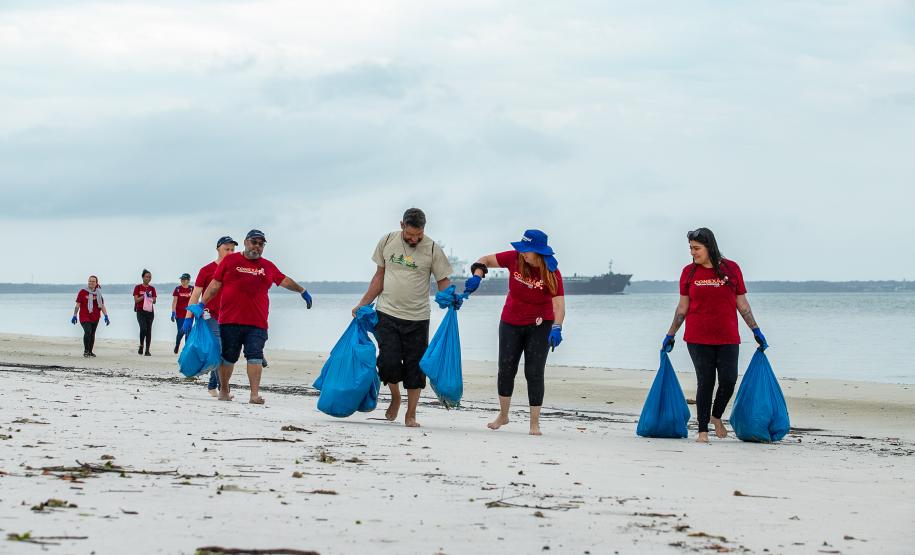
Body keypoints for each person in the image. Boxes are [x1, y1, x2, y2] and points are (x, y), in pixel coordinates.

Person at [662, 227, 768, 443]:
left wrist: (756, 330)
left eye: (696, 248)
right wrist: (670, 334)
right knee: (706, 382)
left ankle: (716, 416)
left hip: (728, 336)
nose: (692, 252)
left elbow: (743, 304)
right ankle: (702, 431)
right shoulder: (689, 273)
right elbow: (682, 308)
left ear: (709, 246)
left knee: (728, 380)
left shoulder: (731, 268)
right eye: (690, 248)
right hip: (697, 338)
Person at [352, 208, 454, 427]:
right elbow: (379, 276)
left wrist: (449, 298)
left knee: (415, 367)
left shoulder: (433, 248)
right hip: (386, 312)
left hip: (418, 317)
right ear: (402, 225)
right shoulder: (387, 241)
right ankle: (396, 397)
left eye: (419, 234)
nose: (415, 239)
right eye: (410, 235)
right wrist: (363, 303)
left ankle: (411, 413)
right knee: (388, 361)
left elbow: (443, 280)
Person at [464, 229, 565, 436]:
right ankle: (503, 415)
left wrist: (557, 327)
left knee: (534, 372)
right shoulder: (514, 258)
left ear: (538, 251)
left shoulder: (551, 272)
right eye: (522, 248)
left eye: (527, 250)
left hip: (540, 324)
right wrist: (477, 275)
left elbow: (559, 305)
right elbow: (484, 260)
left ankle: (534, 423)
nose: (523, 253)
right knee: (506, 369)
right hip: (510, 321)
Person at [198, 229, 313, 404]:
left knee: (255, 356)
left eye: (261, 244)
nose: (257, 247)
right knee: (229, 357)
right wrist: (201, 304)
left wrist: (302, 291)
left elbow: (284, 280)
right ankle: (223, 391)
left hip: (257, 322)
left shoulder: (268, 266)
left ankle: (254, 395)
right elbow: (215, 285)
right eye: (254, 242)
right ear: (245, 242)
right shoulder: (230, 260)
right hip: (230, 320)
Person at [182, 236, 236, 396]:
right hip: (209, 316)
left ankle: (212, 385)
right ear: (218, 249)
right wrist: (188, 317)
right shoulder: (206, 270)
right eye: (227, 249)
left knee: (223, 351)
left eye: (233, 249)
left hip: (230, 317)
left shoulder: (235, 270)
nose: (230, 252)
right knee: (220, 350)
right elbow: (195, 294)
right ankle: (222, 389)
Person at [71, 275, 110, 357]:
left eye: (93, 281)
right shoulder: (82, 292)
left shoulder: (98, 293)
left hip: (95, 317)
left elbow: (102, 305)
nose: (91, 283)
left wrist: (106, 316)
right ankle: (86, 351)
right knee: (87, 331)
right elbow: (78, 304)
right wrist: (74, 315)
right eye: (90, 281)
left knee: (92, 334)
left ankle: (90, 351)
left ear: (96, 283)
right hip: (84, 316)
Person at [133, 269, 157, 356]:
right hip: (140, 311)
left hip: (150, 312)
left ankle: (147, 350)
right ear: (143, 277)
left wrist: (150, 296)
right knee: (143, 328)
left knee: (149, 330)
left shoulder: (152, 288)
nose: (148, 278)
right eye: (146, 276)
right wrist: (144, 296)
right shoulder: (138, 287)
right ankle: (141, 345)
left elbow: (154, 301)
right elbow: (136, 300)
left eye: (150, 277)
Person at [172, 273, 193, 354]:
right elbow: (174, 302)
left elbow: (195, 300)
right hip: (180, 314)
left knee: (188, 331)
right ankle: (177, 345)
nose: (182, 281)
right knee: (181, 331)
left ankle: (186, 349)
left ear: (188, 280)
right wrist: (173, 312)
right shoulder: (177, 289)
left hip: (190, 314)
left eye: (184, 279)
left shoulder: (192, 289)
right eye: (181, 279)